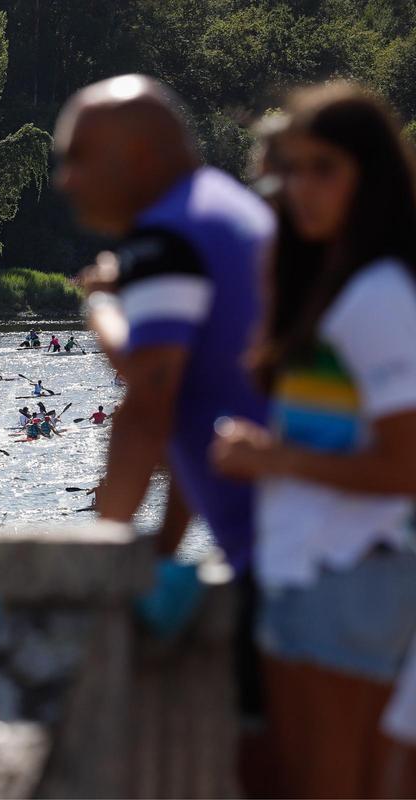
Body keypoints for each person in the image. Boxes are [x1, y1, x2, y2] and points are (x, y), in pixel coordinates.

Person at [57, 73, 274, 785]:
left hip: (294, 561)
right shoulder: (228, 210)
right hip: (303, 545)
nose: (64, 180)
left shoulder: (166, 237)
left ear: (141, 156)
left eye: (77, 156)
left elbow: (148, 403)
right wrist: (166, 544)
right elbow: (193, 411)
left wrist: (99, 565)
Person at [209, 84, 416, 798]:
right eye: (291, 170)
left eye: (323, 168)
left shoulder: (378, 297)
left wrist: (271, 459)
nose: (301, 188)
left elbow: (406, 465)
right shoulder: (338, 286)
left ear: (371, 175)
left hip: (351, 575)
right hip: (311, 574)